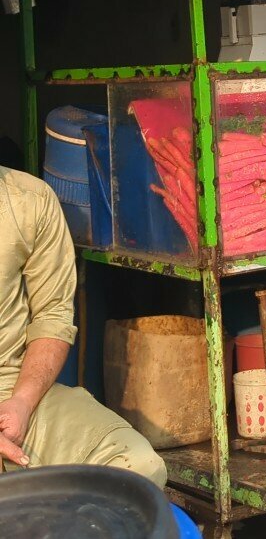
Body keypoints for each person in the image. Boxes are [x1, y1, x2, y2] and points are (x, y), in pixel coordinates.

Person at [0, 166, 166, 487]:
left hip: (16, 391)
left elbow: (53, 315)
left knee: (138, 471)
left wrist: (22, 401)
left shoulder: (30, 200)